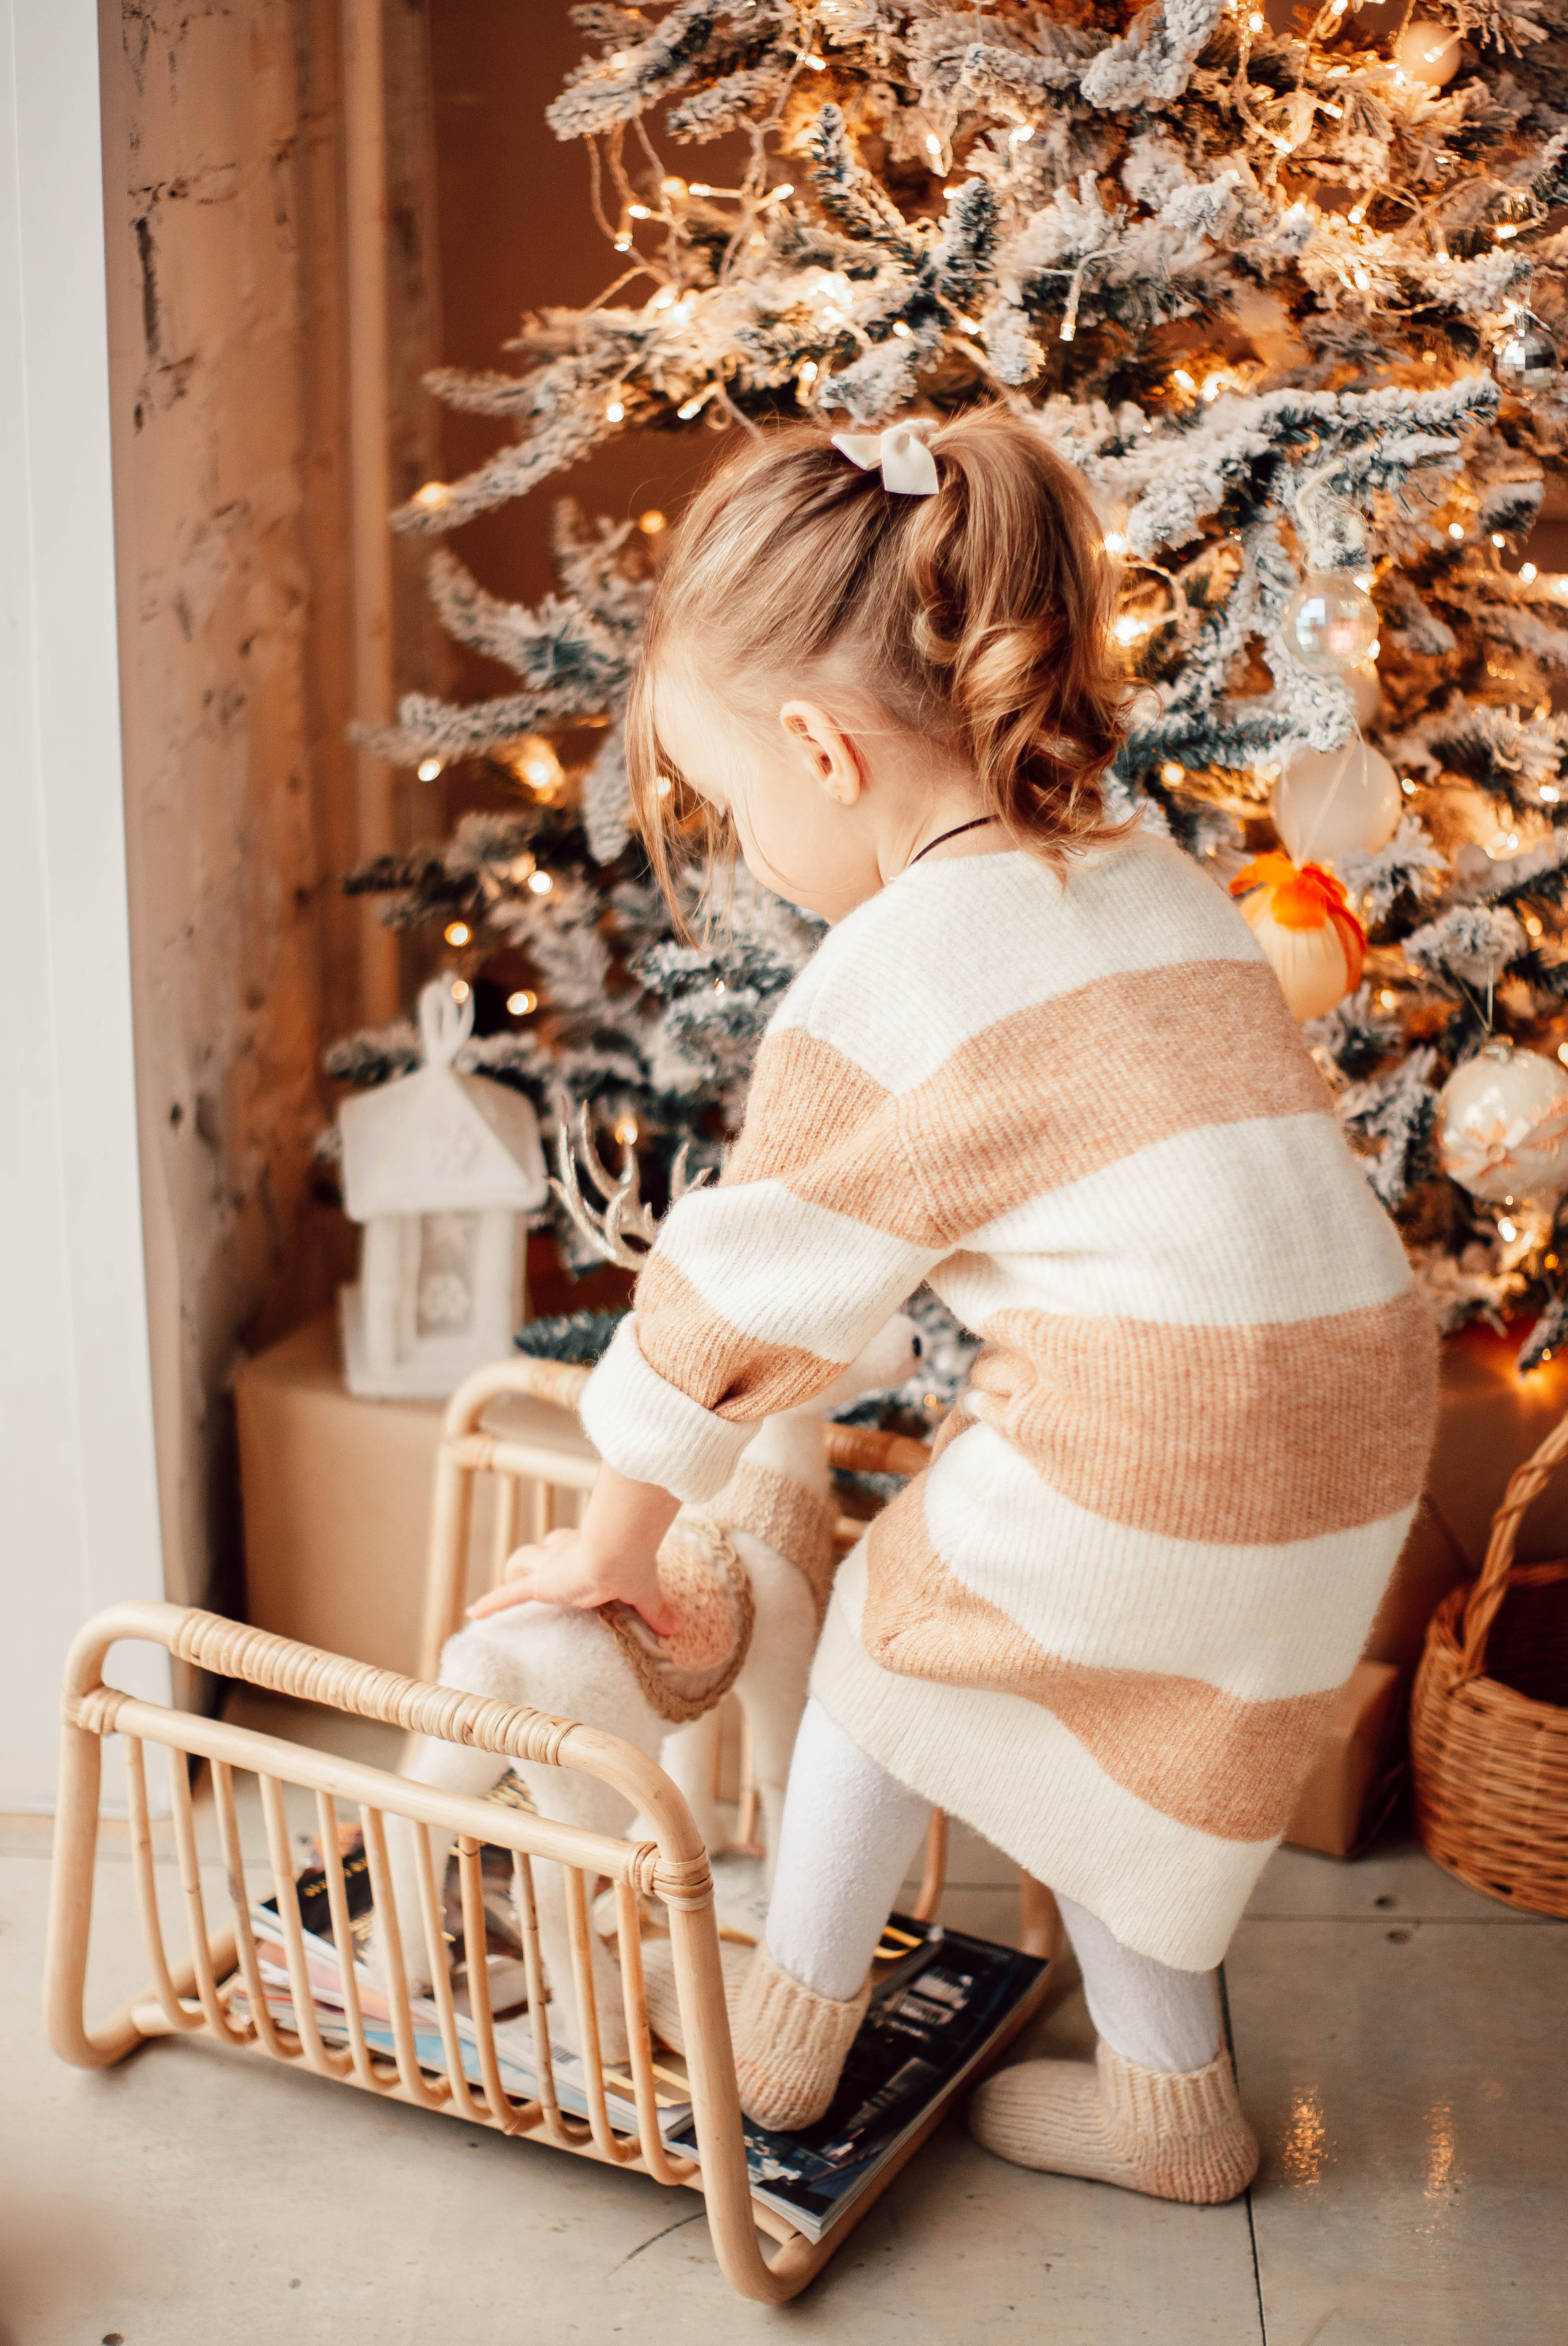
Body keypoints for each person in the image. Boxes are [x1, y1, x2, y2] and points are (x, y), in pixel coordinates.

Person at [471, 406, 1438, 2200]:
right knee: (1113, 1726)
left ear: (822, 752)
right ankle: (1173, 2112)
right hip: (1356, 1417)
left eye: (733, 800)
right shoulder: (1144, 871)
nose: (743, 843)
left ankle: (785, 2038)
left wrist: (617, 1542)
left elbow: (740, 1282)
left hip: (1182, 1422)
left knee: (888, 1646)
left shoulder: (899, 963)